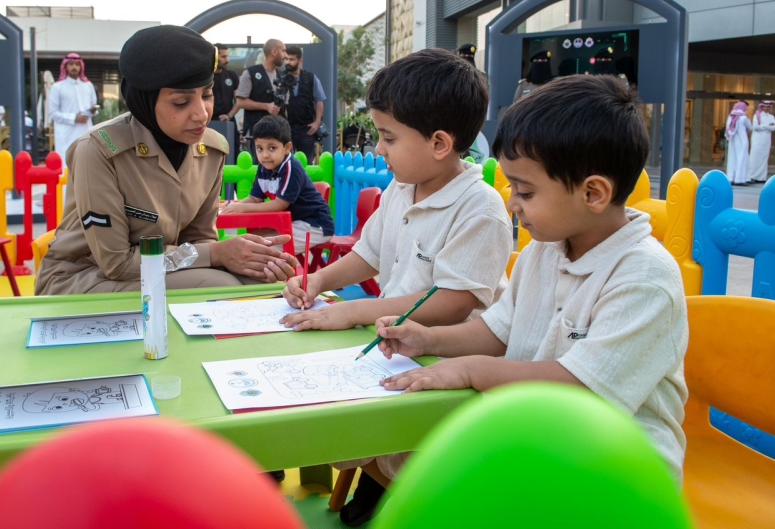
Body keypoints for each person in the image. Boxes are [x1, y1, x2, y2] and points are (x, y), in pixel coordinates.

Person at [374, 75, 688, 490]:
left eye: (524, 191)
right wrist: (429, 341)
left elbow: (583, 390)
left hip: (614, 470)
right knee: (421, 461)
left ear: (593, 193)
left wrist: (469, 370)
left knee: (448, 481)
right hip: (538, 435)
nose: (511, 203)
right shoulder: (545, 249)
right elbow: (498, 329)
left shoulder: (644, 278)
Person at [279, 49, 512, 525]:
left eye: (388, 138)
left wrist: (349, 312)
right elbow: (368, 255)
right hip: (395, 342)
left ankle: (391, 479)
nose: (378, 150)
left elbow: (451, 304)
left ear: (440, 143)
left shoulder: (480, 209)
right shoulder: (401, 187)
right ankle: (376, 473)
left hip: (445, 360)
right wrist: (319, 280)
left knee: (374, 427)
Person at [35, 26, 298, 296]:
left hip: (160, 269)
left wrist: (245, 258)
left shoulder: (212, 149)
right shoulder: (99, 151)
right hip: (85, 279)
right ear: (144, 102)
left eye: (206, 95)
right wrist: (218, 254)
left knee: (264, 282)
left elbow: (199, 240)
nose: (201, 114)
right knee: (223, 288)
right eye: (182, 102)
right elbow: (117, 262)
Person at [221, 115, 333, 255]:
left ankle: (272, 275)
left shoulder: (291, 168)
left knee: (261, 247)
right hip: (292, 223)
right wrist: (234, 208)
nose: (265, 155)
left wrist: (242, 208)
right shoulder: (263, 168)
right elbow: (255, 199)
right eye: (260, 148)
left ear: (287, 148)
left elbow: (280, 204)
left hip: (315, 225)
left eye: (272, 148)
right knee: (250, 240)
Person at [235, 39, 286, 151]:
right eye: (283, 51)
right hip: (256, 133)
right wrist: (266, 106)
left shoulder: (282, 76)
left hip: (277, 133)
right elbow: (240, 101)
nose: (285, 55)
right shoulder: (250, 73)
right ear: (274, 52)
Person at [48, 53, 98, 166]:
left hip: (85, 131)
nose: (74, 67)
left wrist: (92, 111)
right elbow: (52, 113)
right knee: (67, 165)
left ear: (81, 67)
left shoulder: (88, 85)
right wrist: (74, 118)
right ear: (65, 66)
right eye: (71, 64)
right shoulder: (57, 87)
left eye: (77, 64)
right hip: (67, 134)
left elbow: (93, 106)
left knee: (86, 164)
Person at [279, 46, 326, 160]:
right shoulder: (280, 77)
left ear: (300, 60)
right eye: (286, 59)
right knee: (284, 161)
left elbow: (319, 100)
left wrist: (317, 122)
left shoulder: (310, 78)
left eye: (292, 59)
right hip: (285, 127)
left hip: (306, 128)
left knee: (306, 162)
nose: (288, 62)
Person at [747, 100, 775, 183]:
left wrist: (763, 126)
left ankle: (761, 177)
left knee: (764, 158)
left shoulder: (772, 117)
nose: (766, 108)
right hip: (757, 140)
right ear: (762, 107)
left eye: (768, 107)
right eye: (765, 106)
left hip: (766, 140)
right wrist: (767, 126)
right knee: (755, 157)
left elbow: (773, 128)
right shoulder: (757, 115)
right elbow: (756, 127)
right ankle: (752, 176)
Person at [724, 101, 752, 185]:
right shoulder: (743, 117)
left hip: (732, 141)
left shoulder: (730, 117)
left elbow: (728, 129)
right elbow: (751, 128)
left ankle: (731, 177)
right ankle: (740, 179)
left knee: (732, 159)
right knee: (742, 159)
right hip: (742, 141)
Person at [212, 43, 240, 122]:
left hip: (228, 121)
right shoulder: (205, 76)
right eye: (223, 57)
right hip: (209, 121)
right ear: (215, 57)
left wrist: (229, 115)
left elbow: (238, 101)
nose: (227, 60)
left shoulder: (232, 75)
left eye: (227, 56)